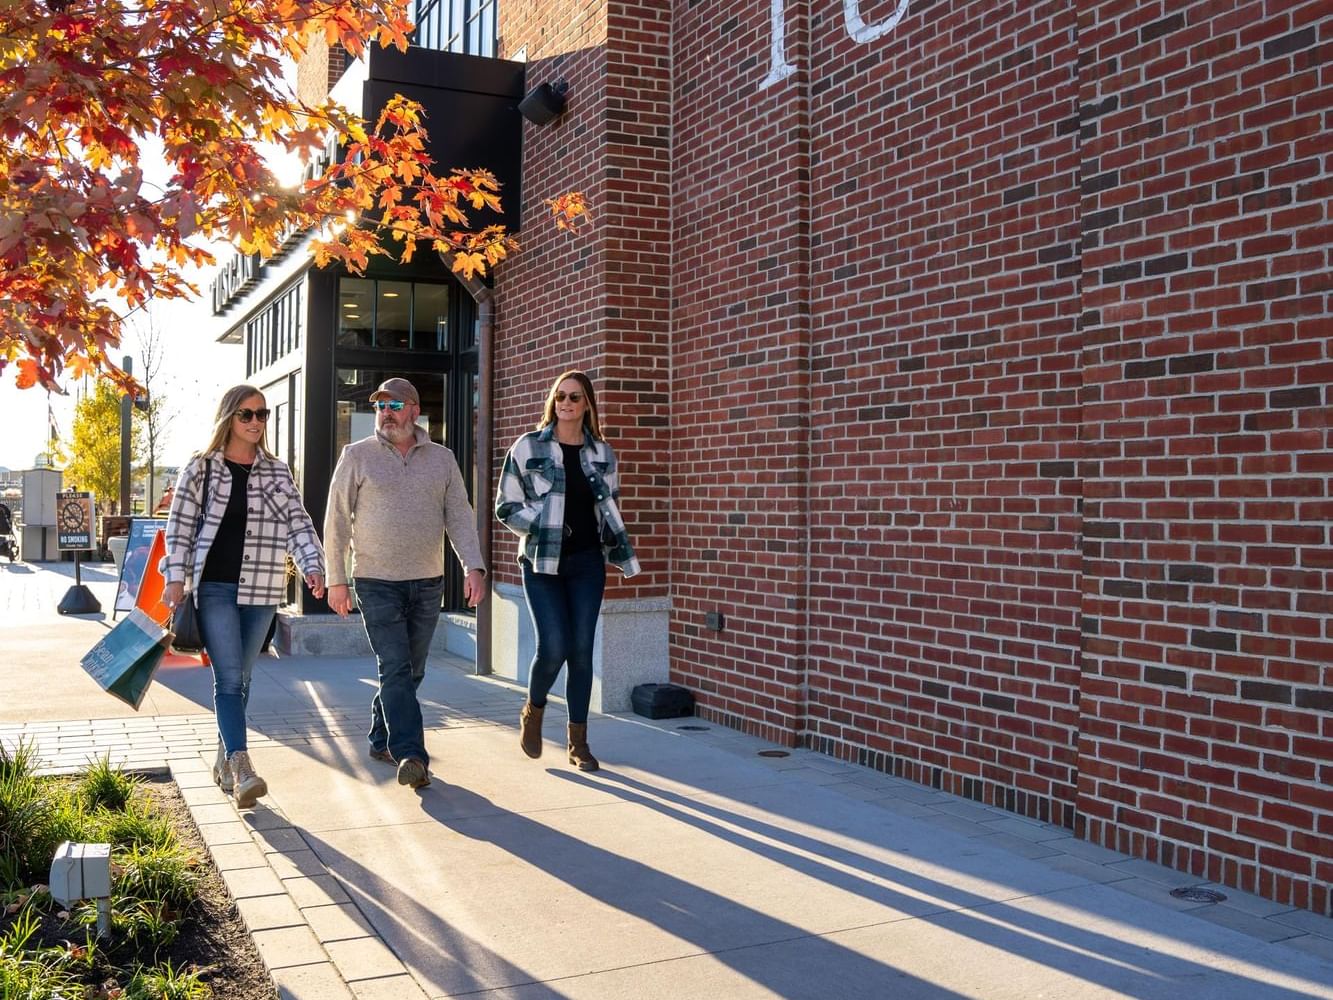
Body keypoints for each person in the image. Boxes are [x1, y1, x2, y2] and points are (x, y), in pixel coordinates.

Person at [162, 384, 326, 807]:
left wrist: (312, 563)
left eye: (262, 414)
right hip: (213, 587)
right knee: (230, 677)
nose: (256, 422)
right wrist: (175, 578)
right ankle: (242, 765)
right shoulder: (201, 468)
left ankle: (222, 763)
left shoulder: (276, 471)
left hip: (263, 588)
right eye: (247, 415)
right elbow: (178, 527)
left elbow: (298, 522)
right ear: (229, 418)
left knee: (244, 677)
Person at [324, 377, 487, 790]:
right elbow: (337, 521)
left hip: (428, 583)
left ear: (414, 410)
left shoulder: (443, 459)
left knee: (410, 672)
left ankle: (380, 737)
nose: (386, 412)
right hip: (375, 581)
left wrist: (474, 566)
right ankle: (412, 754)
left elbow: (460, 517)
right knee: (394, 666)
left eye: (395, 404)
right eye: (380, 406)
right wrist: (336, 580)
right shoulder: (356, 456)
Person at [496, 370, 640, 771]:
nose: (566, 403)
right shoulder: (527, 447)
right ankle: (534, 710)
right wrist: (543, 523)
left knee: (580, 651)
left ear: (587, 404)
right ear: (552, 401)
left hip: (586, 563)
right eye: (560, 396)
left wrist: (619, 549)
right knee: (554, 646)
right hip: (542, 562)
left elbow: (610, 508)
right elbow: (505, 506)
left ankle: (578, 742)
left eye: (575, 397)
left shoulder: (603, 454)